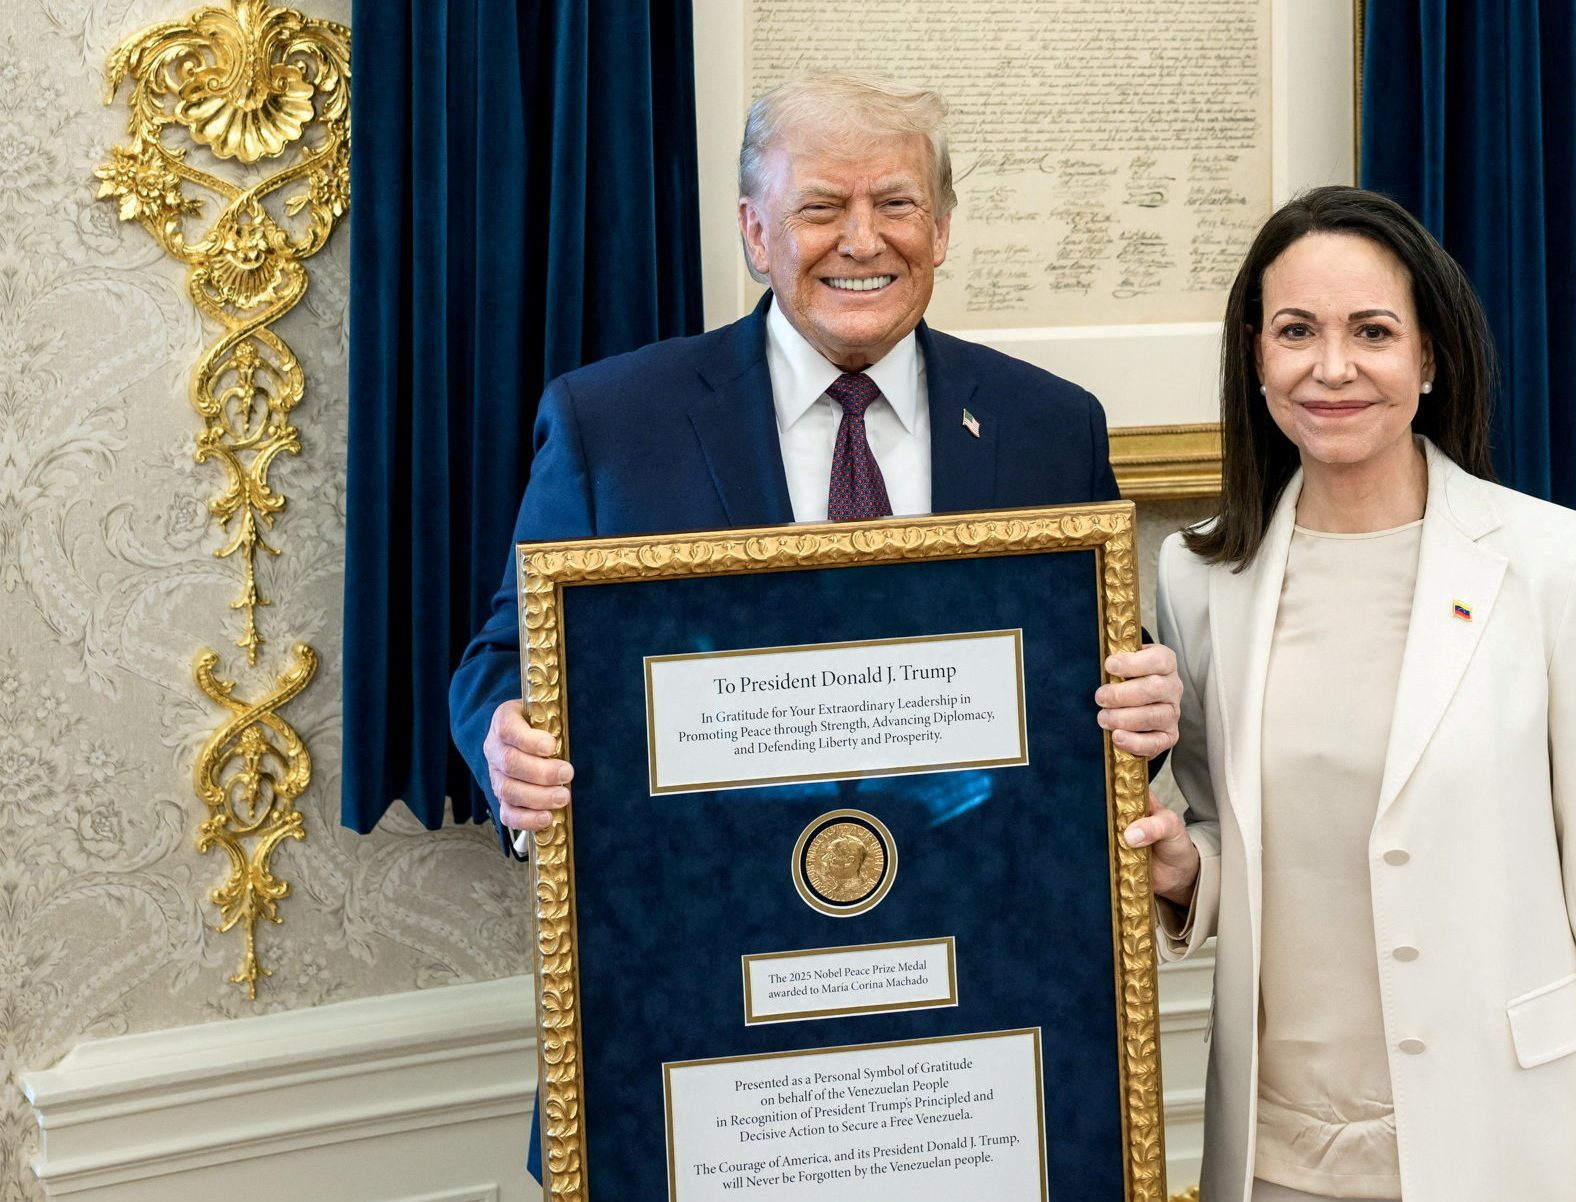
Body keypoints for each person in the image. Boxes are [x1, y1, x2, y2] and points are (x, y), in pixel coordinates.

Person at [1122, 186, 1576, 1202]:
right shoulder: (1198, 577)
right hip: (1287, 1171)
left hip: (1519, 1161)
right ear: (1254, 357)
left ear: (1429, 355)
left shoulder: (1553, 562)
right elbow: (1243, 839)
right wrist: (1189, 873)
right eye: (1294, 331)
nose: (1331, 367)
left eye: (1371, 332)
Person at [449, 72, 1181, 838]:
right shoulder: (611, 426)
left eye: (896, 205)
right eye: (822, 208)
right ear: (757, 232)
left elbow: (1094, 672)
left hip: (978, 898)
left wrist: (1143, 702)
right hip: (707, 901)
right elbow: (508, 657)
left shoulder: (1051, 427)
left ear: (941, 229)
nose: (863, 241)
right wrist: (508, 744)